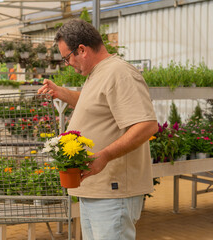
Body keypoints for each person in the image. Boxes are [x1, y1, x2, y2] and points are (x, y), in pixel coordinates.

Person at [38, 19, 158, 240]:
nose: (67, 64)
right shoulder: (98, 73)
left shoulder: (119, 73)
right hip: (97, 189)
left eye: (67, 58)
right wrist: (61, 92)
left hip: (113, 190)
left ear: (82, 50)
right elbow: (95, 105)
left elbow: (147, 125)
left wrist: (104, 155)